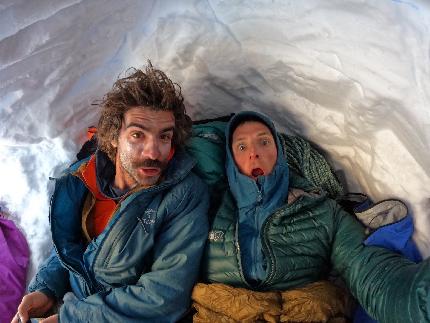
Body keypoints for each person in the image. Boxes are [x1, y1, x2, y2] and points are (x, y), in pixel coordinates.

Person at [12, 63, 209, 323]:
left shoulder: (184, 195)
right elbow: (69, 248)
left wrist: (71, 318)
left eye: (164, 137)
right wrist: (46, 289)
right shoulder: (84, 178)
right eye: (138, 135)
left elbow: (164, 297)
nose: (153, 152)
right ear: (114, 136)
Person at [193, 110, 430, 323]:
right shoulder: (207, 211)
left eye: (264, 142)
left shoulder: (322, 211)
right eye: (242, 147)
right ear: (231, 160)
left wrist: (418, 298)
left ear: (280, 153)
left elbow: (369, 271)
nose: (254, 153)